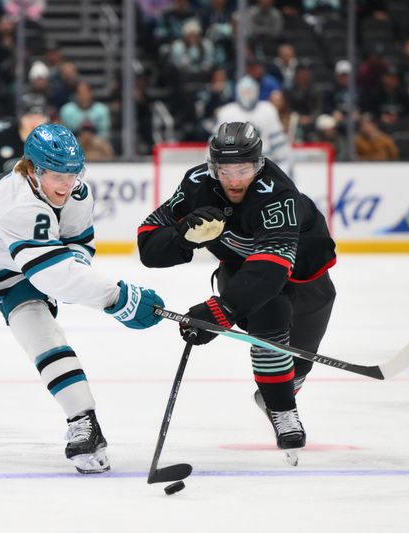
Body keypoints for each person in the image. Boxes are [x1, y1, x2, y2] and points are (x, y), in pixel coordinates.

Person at [0, 124, 165, 474]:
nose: (67, 185)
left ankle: (84, 422)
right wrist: (119, 299)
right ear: (30, 169)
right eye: (57, 175)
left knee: (40, 329)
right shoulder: (17, 206)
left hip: (20, 274)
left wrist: (77, 277)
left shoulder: (76, 193)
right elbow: (54, 276)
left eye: (74, 174)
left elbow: (76, 246)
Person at [137, 121, 337, 464]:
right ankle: (283, 409)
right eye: (224, 170)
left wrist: (219, 312)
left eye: (243, 169)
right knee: (269, 315)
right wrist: (182, 235)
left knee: (298, 362)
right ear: (213, 167)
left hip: (304, 277)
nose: (233, 180)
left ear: (258, 165)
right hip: (242, 272)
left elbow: (272, 271)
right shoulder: (197, 184)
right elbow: (148, 243)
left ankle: (279, 389)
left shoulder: (278, 193)